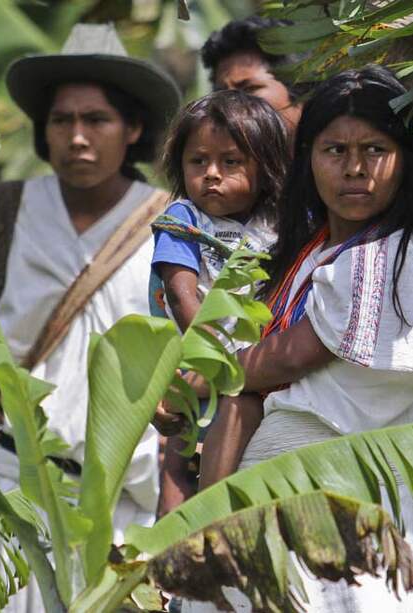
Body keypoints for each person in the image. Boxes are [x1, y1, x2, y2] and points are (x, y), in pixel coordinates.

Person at [171, 65, 413, 612]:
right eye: (334, 150)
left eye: (374, 150)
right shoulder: (311, 254)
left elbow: (293, 353)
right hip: (273, 524)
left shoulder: (395, 257)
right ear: (307, 158)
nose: (355, 168)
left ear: (406, 158)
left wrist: (212, 374)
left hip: (341, 524)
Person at [0, 23, 180, 612]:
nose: (77, 137)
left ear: (132, 128)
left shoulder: (171, 223)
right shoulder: (6, 211)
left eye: (97, 120)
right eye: (63, 121)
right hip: (20, 484)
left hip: (130, 495)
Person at [150, 89, 288, 516]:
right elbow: (179, 292)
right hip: (194, 357)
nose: (212, 174)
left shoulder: (279, 225)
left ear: (265, 168)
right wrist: (211, 354)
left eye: (231, 162)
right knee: (179, 455)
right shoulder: (183, 219)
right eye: (198, 161)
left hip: (257, 365)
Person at [201, 16, 308, 146]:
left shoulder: (335, 162)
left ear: (301, 93)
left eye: (249, 90)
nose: (230, 108)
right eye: (222, 96)